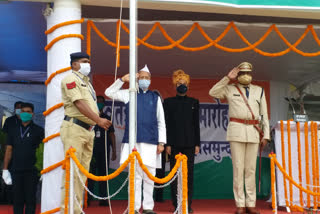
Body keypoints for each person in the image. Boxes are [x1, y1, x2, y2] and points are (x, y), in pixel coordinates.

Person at [209, 62, 270, 214]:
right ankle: (240, 204)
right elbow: (213, 92)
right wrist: (227, 78)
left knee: (250, 170)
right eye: (242, 73)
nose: (245, 76)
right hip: (236, 132)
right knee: (238, 169)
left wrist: (266, 135)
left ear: (251, 74)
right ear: (238, 75)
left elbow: (264, 115)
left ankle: (251, 204)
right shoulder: (230, 88)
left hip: (254, 131)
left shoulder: (259, 91)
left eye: (248, 73)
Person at [105, 65, 166, 214]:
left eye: (147, 78)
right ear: (137, 79)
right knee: (135, 176)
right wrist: (122, 80)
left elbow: (161, 121)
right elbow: (109, 92)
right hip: (132, 142)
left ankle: (148, 207)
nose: (144, 80)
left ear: (150, 80)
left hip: (151, 142)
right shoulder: (129, 93)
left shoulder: (155, 97)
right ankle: (133, 207)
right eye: (142, 77)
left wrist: (162, 142)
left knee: (149, 176)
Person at [60, 52, 112, 214]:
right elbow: (79, 104)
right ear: (74, 65)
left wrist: (95, 122)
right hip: (74, 128)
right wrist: (98, 120)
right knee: (72, 173)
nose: (87, 65)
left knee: (82, 175)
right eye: (83, 62)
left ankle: (76, 209)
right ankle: (67, 210)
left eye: (88, 61)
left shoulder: (87, 83)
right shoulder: (70, 79)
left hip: (88, 131)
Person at [163, 70, 200, 213]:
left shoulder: (194, 102)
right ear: (174, 85)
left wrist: (197, 143)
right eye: (179, 83)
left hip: (190, 144)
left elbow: (196, 124)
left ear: (188, 86)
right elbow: (166, 124)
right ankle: (176, 204)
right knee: (175, 175)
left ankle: (187, 205)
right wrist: (167, 144)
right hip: (173, 145)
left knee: (188, 175)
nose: (181, 85)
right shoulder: (168, 102)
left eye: (184, 83)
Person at [2, 102, 44, 214]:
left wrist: (42, 169)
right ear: (20, 114)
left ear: (33, 114)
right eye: (23, 111)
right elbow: (9, 149)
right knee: (17, 200)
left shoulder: (39, 130)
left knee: (30, 200)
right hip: (15, 169)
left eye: (28, 112)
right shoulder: (13, 130)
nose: (25, 114)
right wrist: (5, 169)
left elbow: (42, 151)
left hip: (32, 171)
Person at [88, 95, 116, 206]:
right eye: (97, 102)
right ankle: (87, 199)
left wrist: (114, 150)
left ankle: (103, 199)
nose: (99, 103)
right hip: (91, 151)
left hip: (104, 151)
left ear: (104, 104)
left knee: (103, 175)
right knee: (90, 175)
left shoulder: (107, 118)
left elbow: (112, 134)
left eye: (101, 102)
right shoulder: (89, 117)